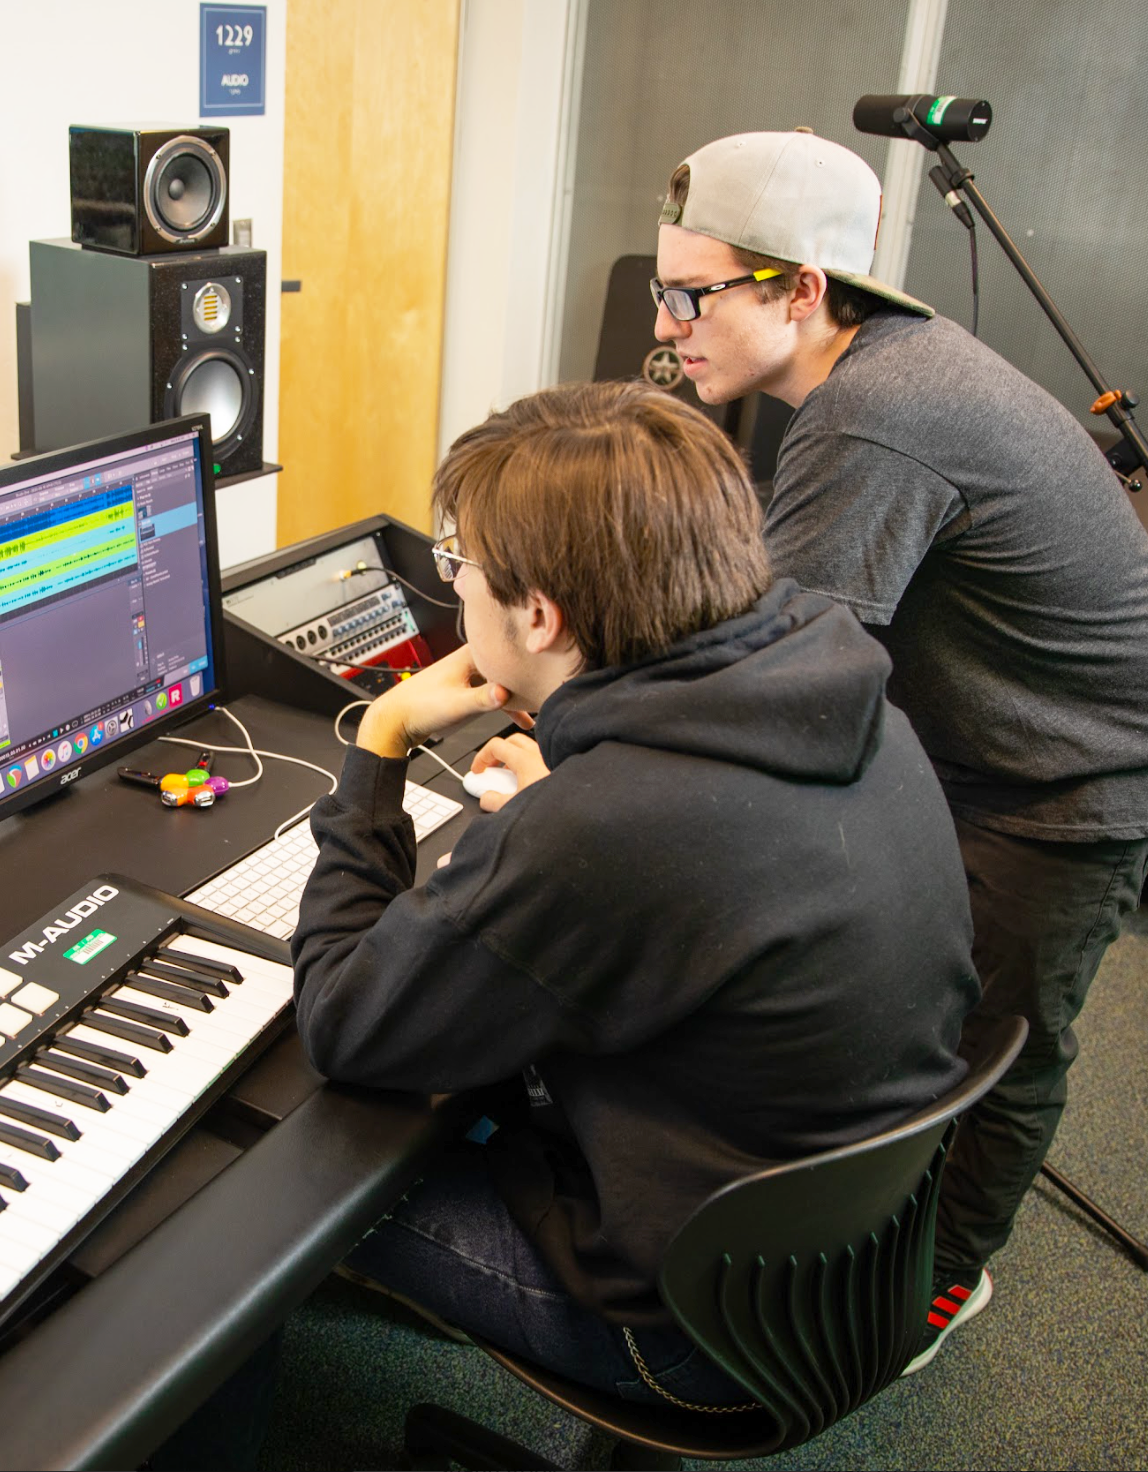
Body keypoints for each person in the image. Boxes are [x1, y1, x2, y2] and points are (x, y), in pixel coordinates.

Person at [291, 380, 978, 1407]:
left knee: (274, 1192)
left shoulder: (602, 830)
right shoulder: (846, 689)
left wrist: (382, 741)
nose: (454, 591)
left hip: (698, 1334)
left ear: (537, 611)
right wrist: (569, 795)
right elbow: (711, 852)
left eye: (457, 567)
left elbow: (347, 1020)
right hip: (846, 1273)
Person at [652, 129, 1148, 1368]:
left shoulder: (875, 411)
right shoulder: (868, 373)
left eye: (693, 296)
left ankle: (935, 1285)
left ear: (803, 289)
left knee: (1001, 1041)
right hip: (971, 746)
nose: (669, 325)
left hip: (1069, 781)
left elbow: (787, 672)